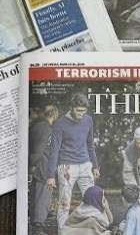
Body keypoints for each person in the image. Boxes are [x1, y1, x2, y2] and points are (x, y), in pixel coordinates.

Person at [46, 93, 100, 230]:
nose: (81, 114)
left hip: (85, 165)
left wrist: (95, 166)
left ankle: (92, 230)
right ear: (71, 107)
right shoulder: (60, 124)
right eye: (78, 110)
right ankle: (63, 231)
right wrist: (50, 175)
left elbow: (90, 144)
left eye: (83, 111)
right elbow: (54, 150)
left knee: (92, 201)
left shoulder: (88, 120)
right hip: (67, 167)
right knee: (65, 203)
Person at [29, 105, 62, 230]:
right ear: (54, 115)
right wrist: (32, 163)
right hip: (43, 165)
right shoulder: (46, 128)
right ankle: (38, 225)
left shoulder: (36, 126)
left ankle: (35, 221)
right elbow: (40, 149)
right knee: (43, 194)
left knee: (36, 194)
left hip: (38, 164)